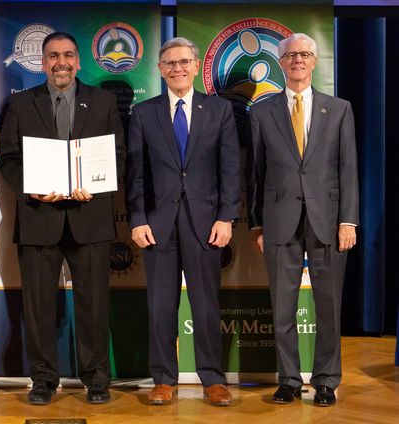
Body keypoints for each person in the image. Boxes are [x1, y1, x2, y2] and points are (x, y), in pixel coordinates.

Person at [0, 32, 125, 405]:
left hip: (90, 216)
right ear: (43, 62)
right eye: (53, 56)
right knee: (38, 307)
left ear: (79, 61)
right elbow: (7, 160)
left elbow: (117, 155)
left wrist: (98, 187)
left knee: (94, 305)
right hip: (40, 217)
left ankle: (96, 379)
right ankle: (42, 379)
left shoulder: (102, 102)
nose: (61, 62)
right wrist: (31, 189)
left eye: (68, 55)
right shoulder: (22, 105)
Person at [126, 37, 240, 406]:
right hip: (157, 225)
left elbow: (229, 168)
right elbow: (136, 174)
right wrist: (138, 218)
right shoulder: (144, 113)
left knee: (206, 305)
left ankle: (213, 380)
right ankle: (163, 379)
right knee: (160, 307)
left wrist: (226, 216)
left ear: (195, 66)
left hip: (205, 223)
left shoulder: (220, 110)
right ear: (160, 69)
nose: (177, 68)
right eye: (170, 63)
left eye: (184, 62)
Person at [247, 33, 359, 406]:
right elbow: (256, 173)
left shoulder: (339, 108)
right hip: (279, 221)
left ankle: (326, 380)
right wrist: (257, 224)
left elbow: (348, 169)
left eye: (305, 54)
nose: (298, 60)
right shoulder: (262, 111)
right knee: (283, 307)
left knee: (328, 306)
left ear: (314, 62)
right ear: (281, 62)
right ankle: (289, 380)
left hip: (328, 220)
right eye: (291, 55)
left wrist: (349, 221)